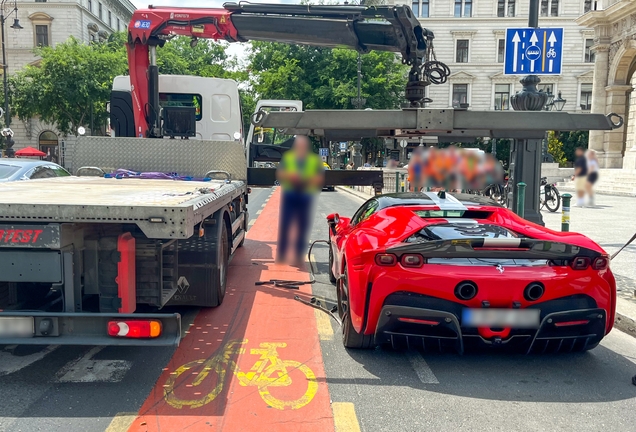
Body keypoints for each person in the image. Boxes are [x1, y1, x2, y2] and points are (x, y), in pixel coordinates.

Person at [276, 135, 324, 265]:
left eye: (303, 145)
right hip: (290, 195)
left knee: (302, 227)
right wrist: (290, 176)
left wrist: (306, 178)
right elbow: (280, 174)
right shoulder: (288, 157)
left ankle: (298, 256)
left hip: (305, 196)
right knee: (285, 225)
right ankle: (282, 254)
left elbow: (320, 178)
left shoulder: (314, 160)